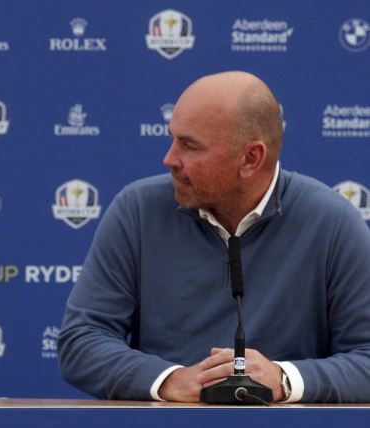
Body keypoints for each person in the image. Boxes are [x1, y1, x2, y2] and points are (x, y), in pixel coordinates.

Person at [58, 71, 370, 403]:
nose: (169, 159)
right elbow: (82, 340)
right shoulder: (137, 210)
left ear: (251, 158)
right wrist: (169, 380)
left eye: (189, 145)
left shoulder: (331, 221)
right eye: (172, 138)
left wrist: (283, 379)